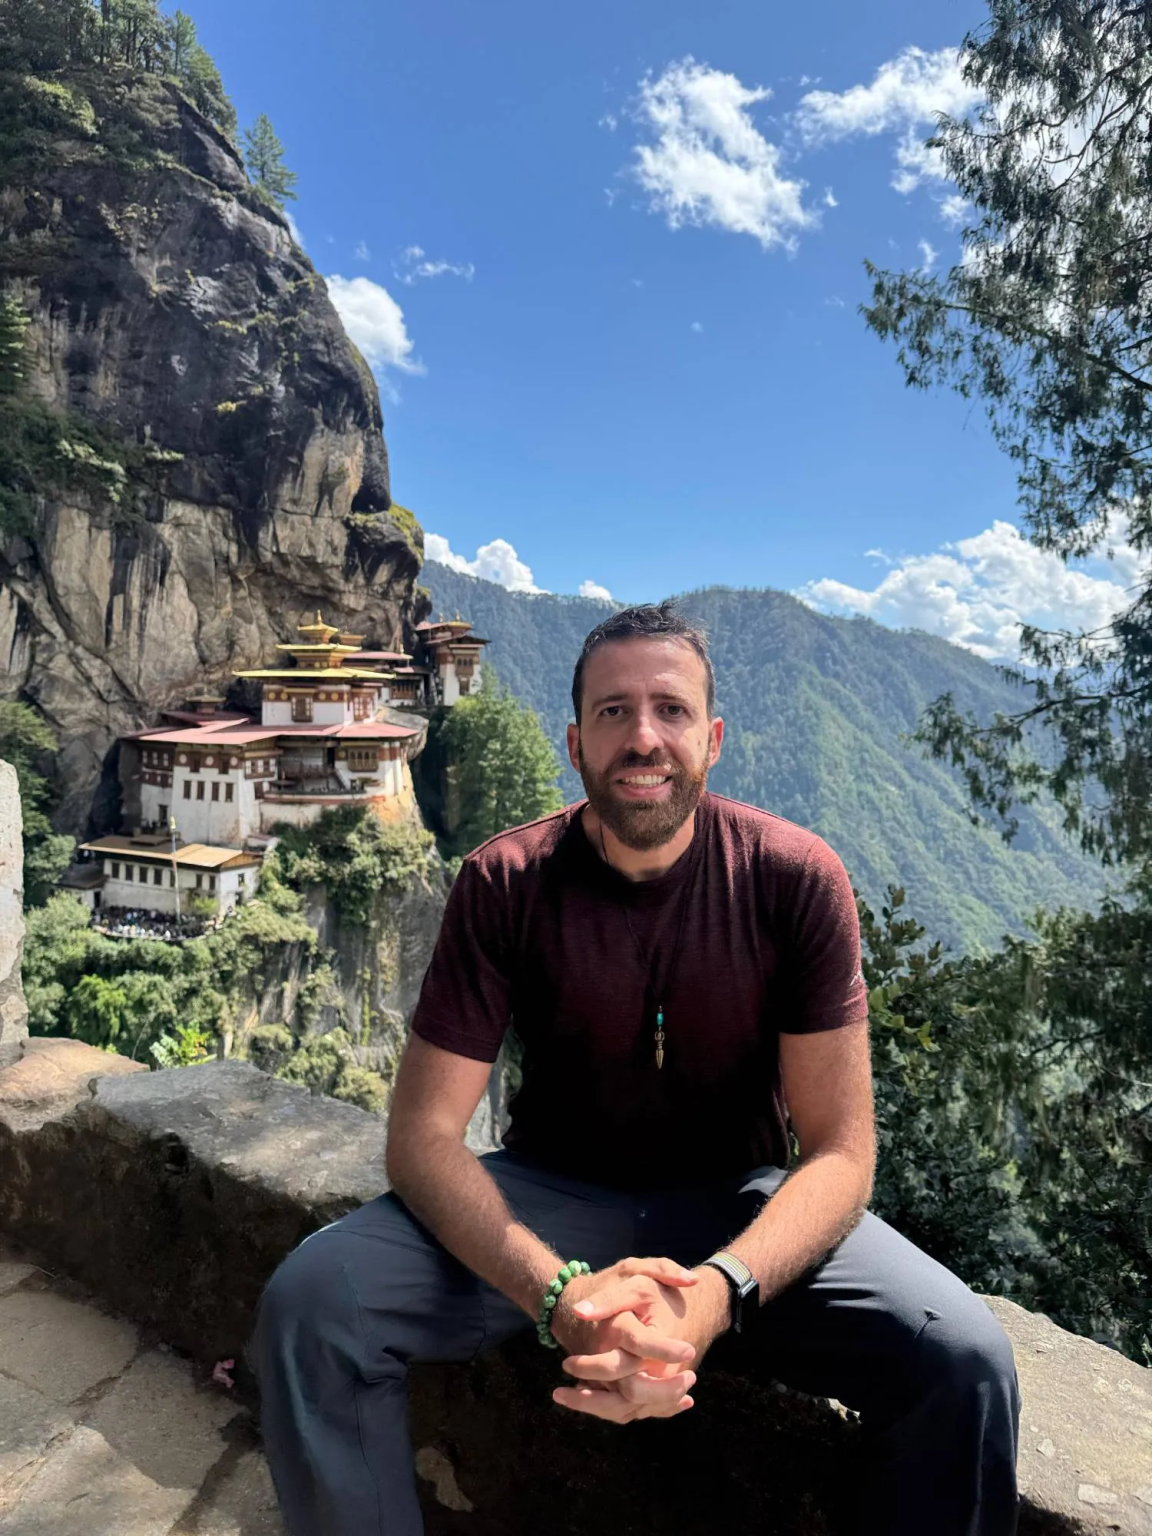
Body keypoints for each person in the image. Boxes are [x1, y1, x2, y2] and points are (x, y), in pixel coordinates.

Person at [250, 601, 1020, 1536]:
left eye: (671, 710)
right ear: (576, 743)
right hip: (550, 1190)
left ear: (713, 740)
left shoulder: (792, 879)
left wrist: (718, 1292)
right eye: (614, 712)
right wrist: (559, 1297)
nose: (644, 737)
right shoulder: (505, 882)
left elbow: (841, 1152)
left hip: (740, 1204)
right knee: (315, 1303)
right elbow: (423, 1138)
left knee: (966, 1360)